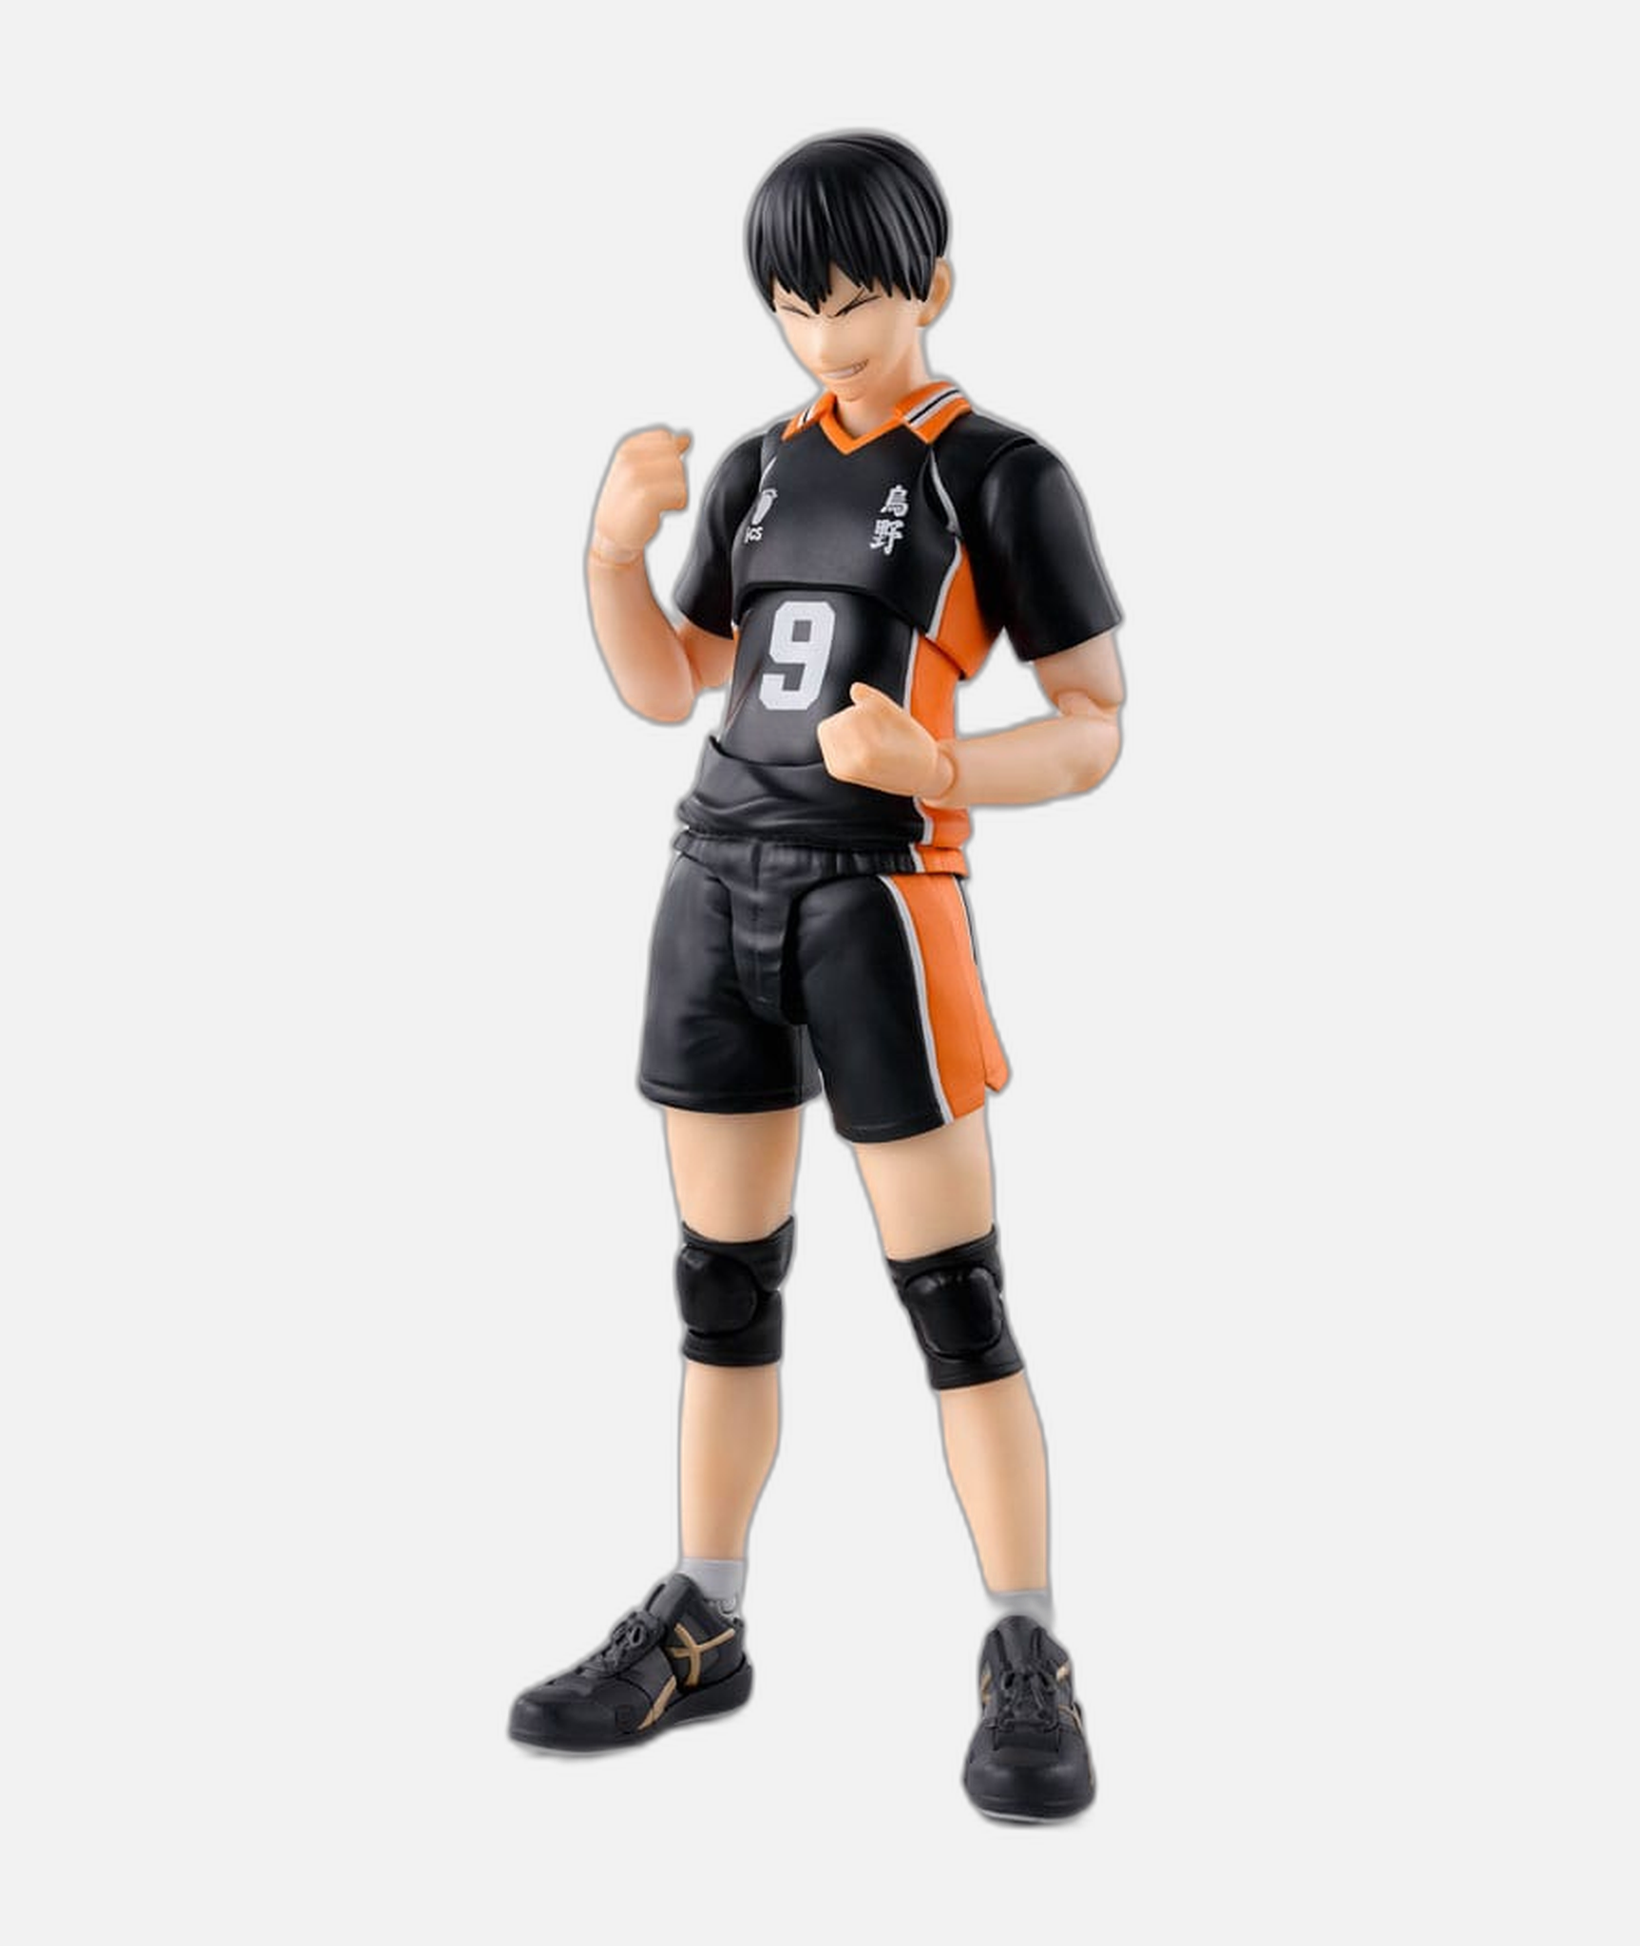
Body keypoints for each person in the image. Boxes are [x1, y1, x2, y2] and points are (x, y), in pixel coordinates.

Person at [507, 131, 1124, 1822]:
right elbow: (673, 683)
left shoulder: (999, 474)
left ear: (932, 286)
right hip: (716, 881)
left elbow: (1092, 727)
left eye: (853, 302)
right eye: (793, 305)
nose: (823, 336)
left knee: (954, 1296)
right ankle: (700, 1618)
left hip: (880, 900)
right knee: (721, 1285)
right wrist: (608, 555)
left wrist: (943, 767)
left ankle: (1026, 1644)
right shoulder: (760, 466)